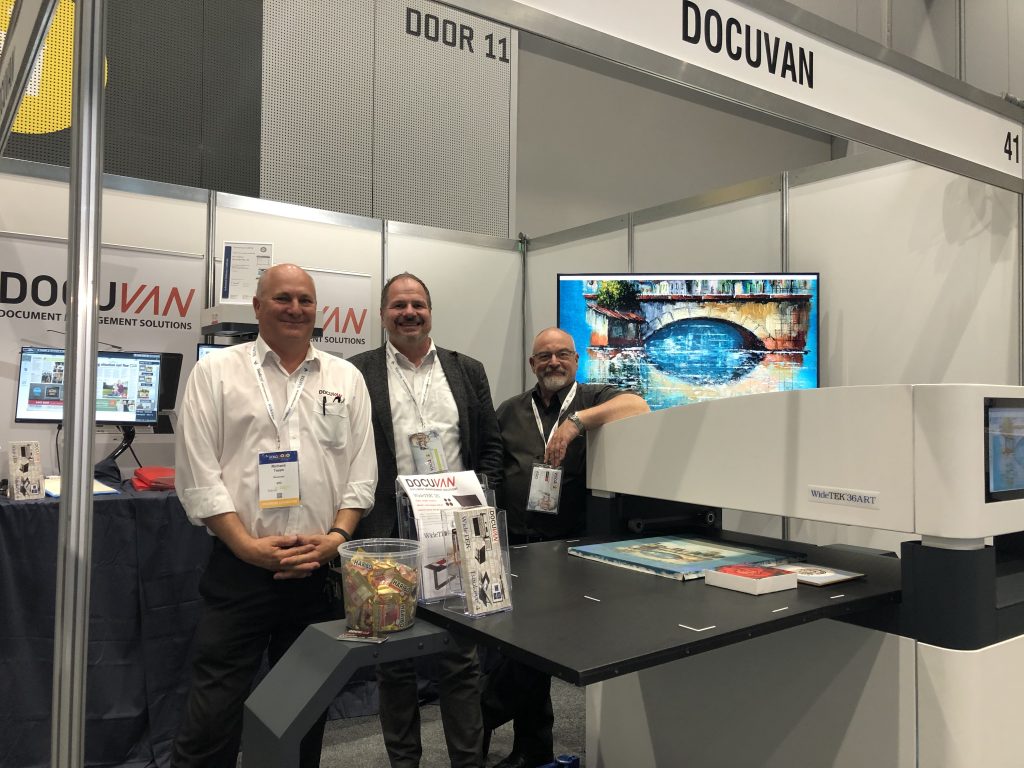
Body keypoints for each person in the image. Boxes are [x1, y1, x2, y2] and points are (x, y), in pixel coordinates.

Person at [171, 263, 377, 768]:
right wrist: (246, 547)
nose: (295, 309)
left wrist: (337, 537)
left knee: (303, 712)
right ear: (258, 306)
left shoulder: (346, 378)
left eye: (305, 300)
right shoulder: (216, 372)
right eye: (283, 298)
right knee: (213, 712)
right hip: (240, 569)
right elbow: (199, 474)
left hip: (316, 571)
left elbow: (361, 473)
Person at [349, 272, 502, 768]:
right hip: (387, 536)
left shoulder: (466, 369)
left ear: (430, 311)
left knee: (461, 660)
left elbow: (491, 447)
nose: (409, 312)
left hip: (456, 534)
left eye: (417, 304)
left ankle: (467, 763)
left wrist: (478, 505)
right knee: (393, 665)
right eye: (398, 305)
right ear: (382, 314)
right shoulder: (357, 372)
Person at [483, 326, 649, 768]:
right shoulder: (510, 410)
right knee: (522, 646)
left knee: (536, 647)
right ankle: (532, 748)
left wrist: (576, 424)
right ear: (531, 364)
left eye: (562, 354)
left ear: (576, 360)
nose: (553, 362)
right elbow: (493, 468)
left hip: (570, 549)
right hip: (518, 545)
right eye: (544, 356)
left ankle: (482, 715)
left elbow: (639, 406)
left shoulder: (594, 398)